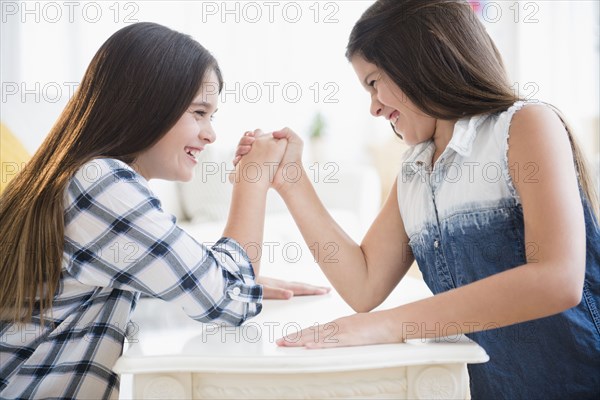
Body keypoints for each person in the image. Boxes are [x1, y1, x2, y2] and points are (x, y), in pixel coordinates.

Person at [235, 1, 600, 398]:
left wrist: (390, 324)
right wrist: (292, 180)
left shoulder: (524, 124)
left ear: (422, 60)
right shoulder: (414, 171)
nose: (373, 107)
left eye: (373, 82)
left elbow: (557, 280)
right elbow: (363, 285)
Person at [0, 22, 328, 399]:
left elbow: (199, 280)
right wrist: (252, 179)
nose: (211, 134)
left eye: (212, 116)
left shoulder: (84, 177)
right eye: (198, 113)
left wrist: (221, 274)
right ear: (147, 106)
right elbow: (225, 299)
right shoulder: (101, 181)